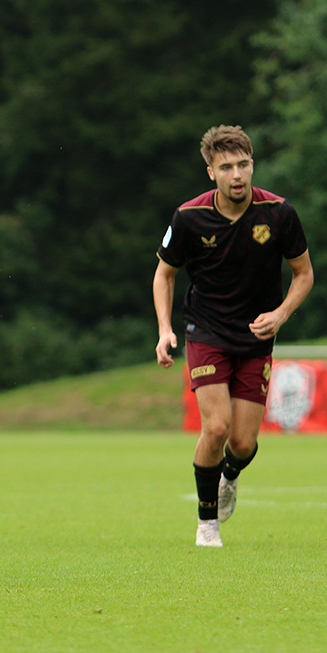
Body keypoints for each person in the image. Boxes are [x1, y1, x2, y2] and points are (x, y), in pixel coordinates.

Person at [153, 125, 313, 548]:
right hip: (206, 330)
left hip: (256, 337)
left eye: (243, 165)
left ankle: (229, 476)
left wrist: (279, 315)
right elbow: (164, 274)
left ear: (252, 165)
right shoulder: (189, 216)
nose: (237, 174)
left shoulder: (279, 213)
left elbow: (304, 274)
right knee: (217, 425)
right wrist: (165, 329)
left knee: (242, 443)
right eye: (227, 167)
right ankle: (208, 524)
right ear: (211, 173)